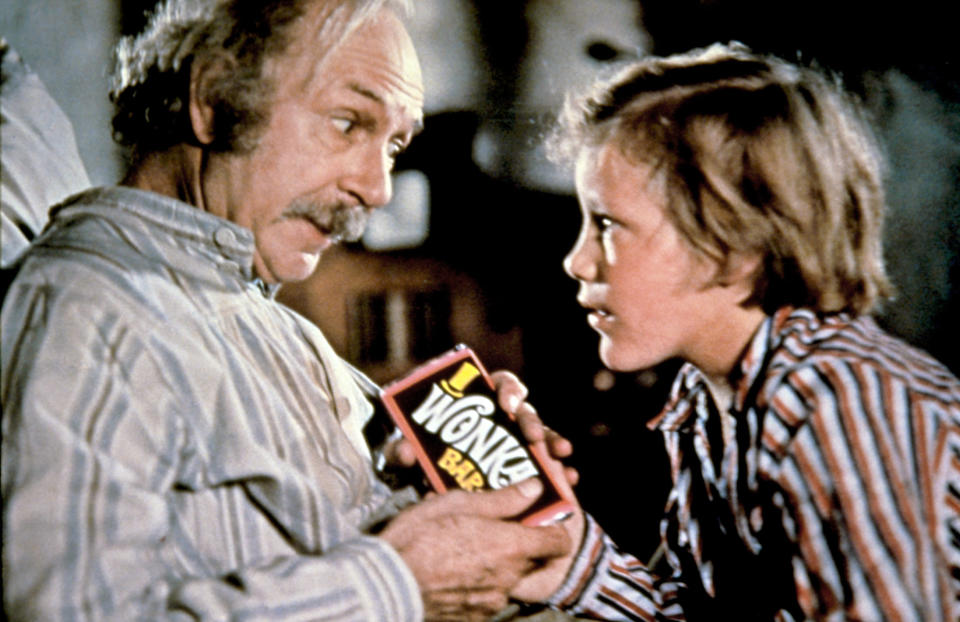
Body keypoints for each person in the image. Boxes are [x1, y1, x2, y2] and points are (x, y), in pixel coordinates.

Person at [0, 1, 581, 620]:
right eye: (348, 122)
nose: (377, 188)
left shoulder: (271, 319)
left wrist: (428, 484)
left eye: (392, 145)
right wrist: (395, 586)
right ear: (213, 99)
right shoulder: (94, 309)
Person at [538, 42, 960, 620]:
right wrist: (566, 559)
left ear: (734, 248)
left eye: (609, 225)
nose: (578, 261)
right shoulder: (705, 400)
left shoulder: (836, 399)